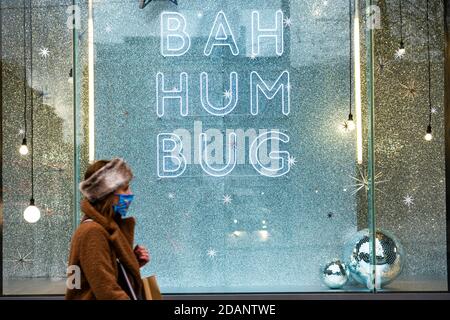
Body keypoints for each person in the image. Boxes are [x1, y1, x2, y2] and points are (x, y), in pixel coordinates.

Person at [65, 158, 150, 300]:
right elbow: (108, 292)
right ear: (106, 194)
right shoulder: (93, 232)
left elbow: (100, 277)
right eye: (125, 188)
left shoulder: (100, 229)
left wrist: (131, 262)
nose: (130, 194)